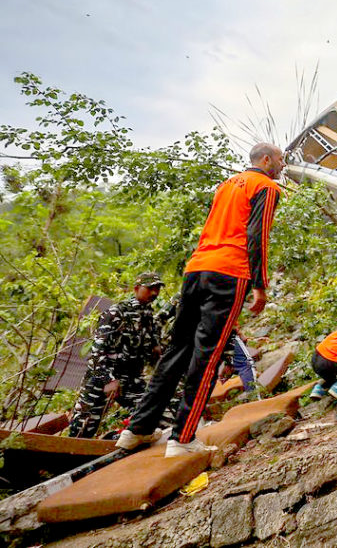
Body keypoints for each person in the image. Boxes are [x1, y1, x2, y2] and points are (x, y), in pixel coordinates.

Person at [116, 143, 284, 457]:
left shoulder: (226, 185)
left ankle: (137, 429)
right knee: (208, 354)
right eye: (280, 159)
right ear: (266, 160)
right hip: (229, 272)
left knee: (177, 350)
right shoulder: (266, 186)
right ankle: (183, 438)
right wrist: (260, 284)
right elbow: (257, 235)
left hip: (197, 269)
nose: (283, 165)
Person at [67, 272, 165, 439]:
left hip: (131, 379)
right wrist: (109, 380)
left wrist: (156, 348)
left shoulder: (148, 315)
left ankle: (117, 440)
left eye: (157, 289)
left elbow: (152, 345)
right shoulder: (116, 313)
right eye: (150, 288)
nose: (155, 293)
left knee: (152, 414)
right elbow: (97, 352)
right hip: (102, 378)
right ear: (136, 289)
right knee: (83, 429)